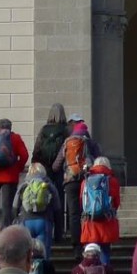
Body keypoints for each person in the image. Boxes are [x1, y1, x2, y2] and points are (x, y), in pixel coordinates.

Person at [53, 120, 100, 247]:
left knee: (73, 213)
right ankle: (87, 240)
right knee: (87, 211)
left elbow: (56, 165)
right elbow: (98, 160)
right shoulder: (89, 142)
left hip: (70, 180)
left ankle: (75, 244)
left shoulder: (67, 142)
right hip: (87, 180)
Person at [30, 103, 71, 235]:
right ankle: (61, 230)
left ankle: (47, 227)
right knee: (59, 198)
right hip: (60, 169)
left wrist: (35, 164)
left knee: (45, 196)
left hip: (44, 169)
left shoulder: (43, 130)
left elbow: (37, 149)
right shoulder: (66, 130)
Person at [13, 160, 61, 261]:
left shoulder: (23, 185)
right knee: (43, 254)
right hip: (44, 222)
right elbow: (57, 209)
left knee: (26, 253)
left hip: (26, 221)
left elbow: (15, 206)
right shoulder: (49, 186)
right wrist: (58, 234)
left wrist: (15, 221)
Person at [78, 155, 121, 266]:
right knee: (105, 251)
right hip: (106, 221)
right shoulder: (112, 181)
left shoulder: (86, 180)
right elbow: (116, 202)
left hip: (90, 222)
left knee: (90, 253)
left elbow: (82, 201)